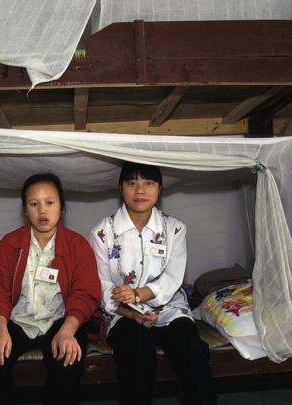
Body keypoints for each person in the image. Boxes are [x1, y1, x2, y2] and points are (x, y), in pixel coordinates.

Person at [90, 162, 215, 405]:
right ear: (120, 188)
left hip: (168, 308)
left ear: (159, 188)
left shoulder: (175, 229)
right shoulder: (102, 232)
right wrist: (130, 311)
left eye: (148, 183)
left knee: (191, 350)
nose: (140, 190)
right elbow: (102, 284)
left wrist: (138, 295)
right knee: (138, 354)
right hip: (122, 313)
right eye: (131, 183)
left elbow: (172, 278)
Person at [0, 173, 101, 405]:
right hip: (18, 320)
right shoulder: (8, 244)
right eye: (34, 204)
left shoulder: (78, 245)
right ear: (25, 209)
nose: (42, 211)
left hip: (61, 319)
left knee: (68, 362)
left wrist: (68, 330)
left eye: (50, 202)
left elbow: (85, 293)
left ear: (62, 207)